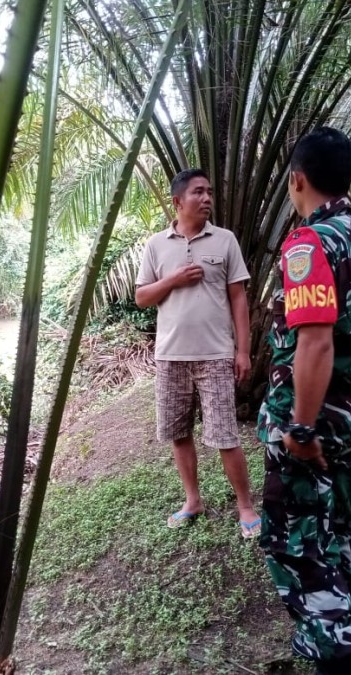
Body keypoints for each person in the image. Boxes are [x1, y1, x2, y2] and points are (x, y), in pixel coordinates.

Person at [257, 128, 351, 675]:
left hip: (310, 421)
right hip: (348, 415)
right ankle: (346, 625)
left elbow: (314, 341)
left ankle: (343, 657)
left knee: (294, 538)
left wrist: (301, 429)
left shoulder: (310, 244)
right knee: (336, 521)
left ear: (298, 180)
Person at [135, 169, 260, 538]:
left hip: (216, 355)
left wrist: (243, 350)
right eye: (198, 192)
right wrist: (174, 279)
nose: (207, 198)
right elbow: (142, 297)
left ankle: (246, 505)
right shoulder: (157, 245)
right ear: (178, 201)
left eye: (209, 192)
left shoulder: (224, 241)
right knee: (178, 431)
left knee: (225, 434)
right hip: (170, 356)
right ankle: (193, 500)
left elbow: (238, 297)